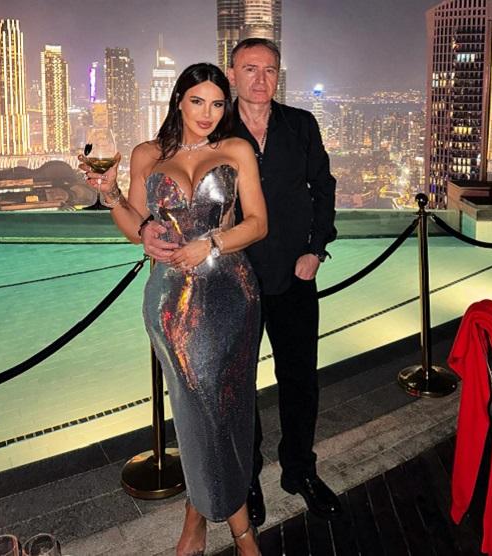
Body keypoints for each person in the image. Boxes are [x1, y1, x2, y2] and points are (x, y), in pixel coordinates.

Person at [143, 38, 341, 527]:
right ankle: (244, 479)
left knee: (300, 379)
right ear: (232, 75)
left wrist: (316, 249)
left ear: (278, 75)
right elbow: (166, 190)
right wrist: (140, 223)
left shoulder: (301, 125)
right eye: (249, 69)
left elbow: (323, 188)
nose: (260, 79)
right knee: (235, 389)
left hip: (294, 273)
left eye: (269, 70)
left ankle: (300, 469)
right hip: (232, 284)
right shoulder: (213, 127)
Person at [80, 63, 266, 556]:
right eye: (198, 101)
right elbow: (135, 224)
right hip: (170, 305)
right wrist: (113, 197)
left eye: (218, 103)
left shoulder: (236, 149)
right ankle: (239, 530)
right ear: (178, 100)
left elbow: (258, 223)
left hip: (232, 295)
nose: (208, 113)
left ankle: (201, 517)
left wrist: (212, 243)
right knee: (196, 411)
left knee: (227, 410)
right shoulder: (147, 154)